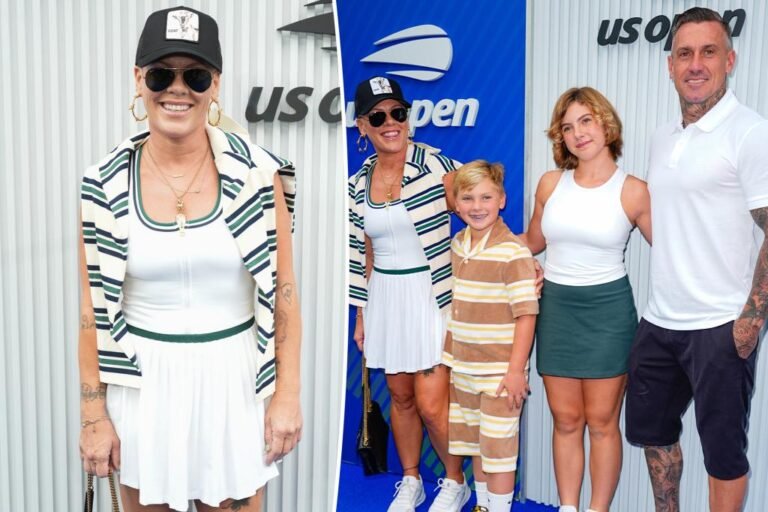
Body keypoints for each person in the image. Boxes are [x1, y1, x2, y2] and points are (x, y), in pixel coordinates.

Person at [77, 6, 302, 511]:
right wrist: (94, 416)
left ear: (215, 86)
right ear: (139, 80)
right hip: (143, 389)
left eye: (195, 75)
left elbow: (284, 292)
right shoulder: (102, 184)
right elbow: (91, 309)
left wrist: (287, 393)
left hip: (234, 384)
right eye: (161, 73)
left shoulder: (259, 177)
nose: (177, 89)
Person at [625, 7, 768, 512]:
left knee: (723, 453)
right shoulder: (664, 136)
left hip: (720, 325)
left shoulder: (750, 133)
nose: (695, 64)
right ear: (669, 65)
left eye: (708, 52)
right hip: (660, 319)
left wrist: (750, 320)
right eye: (684, 53)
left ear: (729, 60)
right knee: (654, 436)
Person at [521, 87, 651, 512]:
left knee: (601, 423)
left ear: (606, 124)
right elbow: (532, 242)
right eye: (568, 127)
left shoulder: (633, 191)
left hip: (609, 313)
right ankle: (568, 507)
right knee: (566, 420)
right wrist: (481, 241)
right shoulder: (549, 183)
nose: (578, 133)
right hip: (556, 310)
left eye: (586, 121)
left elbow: (672, 252)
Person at [348, 76, 469, 512]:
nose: (390, 122)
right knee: (399, 396)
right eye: (378, 116)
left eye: (397, 112)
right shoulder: (356, 183)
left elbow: (481, 207)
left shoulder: (438, 166)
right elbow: (362, 251)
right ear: (362, 126)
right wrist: (361, 314)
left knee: (433, 405)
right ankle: (412, 479)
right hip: (384, 296)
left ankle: (455, 482)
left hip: (431, 294)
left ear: (408, 116)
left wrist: (512, 257)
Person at [442, 160, 538, 512]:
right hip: (464, 369)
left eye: (486, 197)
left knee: (499, 452)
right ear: (456, 203)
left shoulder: (513, 252)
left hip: (499, 374)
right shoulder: (458, 244)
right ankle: (482, 506)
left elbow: (527, 315)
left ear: (502, 200)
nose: (477, 206)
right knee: (478, 446)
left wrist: (515, 371)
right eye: (467, 198)